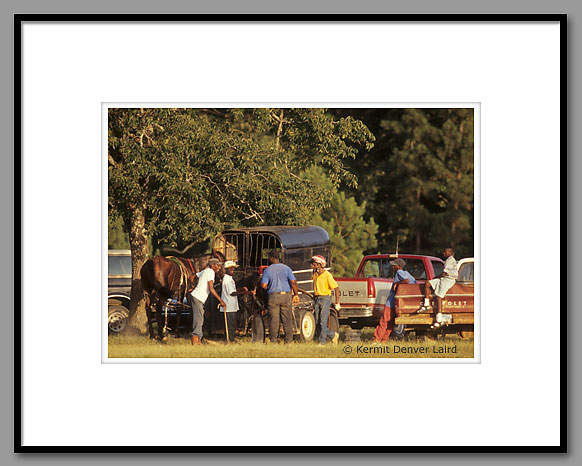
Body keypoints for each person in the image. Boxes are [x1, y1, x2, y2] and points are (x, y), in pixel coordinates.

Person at [260, 250, 300, 344]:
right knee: (287, 319)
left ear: (271, 258)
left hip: (273, 297)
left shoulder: (268, 270)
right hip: (286, 296)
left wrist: (269, 287)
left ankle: (274, 341)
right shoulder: (287, 268)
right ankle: (288, 341)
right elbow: (293, 282)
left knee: (274, 320)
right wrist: (296, 294)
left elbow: (263, 285)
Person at [372, 258, 416, 342]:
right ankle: (383, 340)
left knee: (384, 321)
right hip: (398, 303)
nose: (392, 267)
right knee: (390, 323)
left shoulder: (399, 272)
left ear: (399, 266)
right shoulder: (407, 273)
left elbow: (406, 281)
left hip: (391, 302)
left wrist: (397, 283)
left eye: (394, 265)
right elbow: (412, 282)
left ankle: (376, 340)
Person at [187, 257, 226, 345]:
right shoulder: (211, 272)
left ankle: (198, 339)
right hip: (198, 297)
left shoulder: (205, 271)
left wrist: (193, 286)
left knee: (200, 318)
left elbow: (192, 277)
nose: (219, 268)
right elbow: (211, 289)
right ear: (213, 265)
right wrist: (221, 301)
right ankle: (195, 340)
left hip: (196, 296)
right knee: (198, 319)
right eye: (218, 266)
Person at [418, 246, 458, 328]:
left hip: (448, 280)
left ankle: (439, 320)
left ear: (451, 253)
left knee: (439, 297)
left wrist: (435, 277)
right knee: (427, 283)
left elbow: (444, 273)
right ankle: (426, 305)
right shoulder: (448, 260)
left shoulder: (450, 260)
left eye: (445, 252)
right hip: (443, 279)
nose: (444, 253)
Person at [310, 255, 340, 345]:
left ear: (320, 265)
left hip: (325, 299)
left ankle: (322, 342)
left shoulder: (327, 275)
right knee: (317, 322)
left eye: (314, 264)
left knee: (323, 321)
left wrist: (337, 302)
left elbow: (336, 288)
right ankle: (333, 335)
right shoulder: (315, 274)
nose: (312, 266)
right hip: (317, 299)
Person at [220, 260, 253, 343]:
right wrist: (246, 292)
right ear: (226, 269)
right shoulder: (226, 279)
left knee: (232, 324)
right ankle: (229, 340)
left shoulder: (229, 278)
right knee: (229, 324)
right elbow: (232, 293)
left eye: (233, 268)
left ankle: (231, 339)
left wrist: (241, 289)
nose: (232, 269)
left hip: (231, 305)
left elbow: (233, 290)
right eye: (230, 268)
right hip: (228, 306)